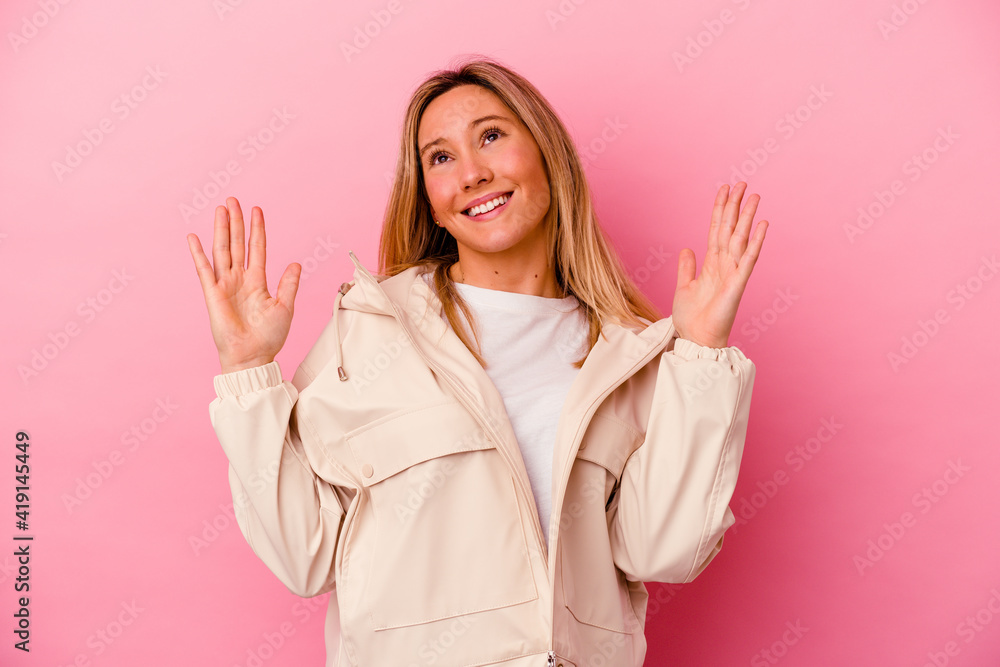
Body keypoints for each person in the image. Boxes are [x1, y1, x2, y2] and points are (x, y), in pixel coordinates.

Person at [186, 56, 768, 667]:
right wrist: (248, 370)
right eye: (440, 157)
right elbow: (304, 556)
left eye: (490, 136)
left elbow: (662, 551)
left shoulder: (628, 356)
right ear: (430, 200)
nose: (470, 173)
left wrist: (702, 352)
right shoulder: (372, 330)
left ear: (547, 153)